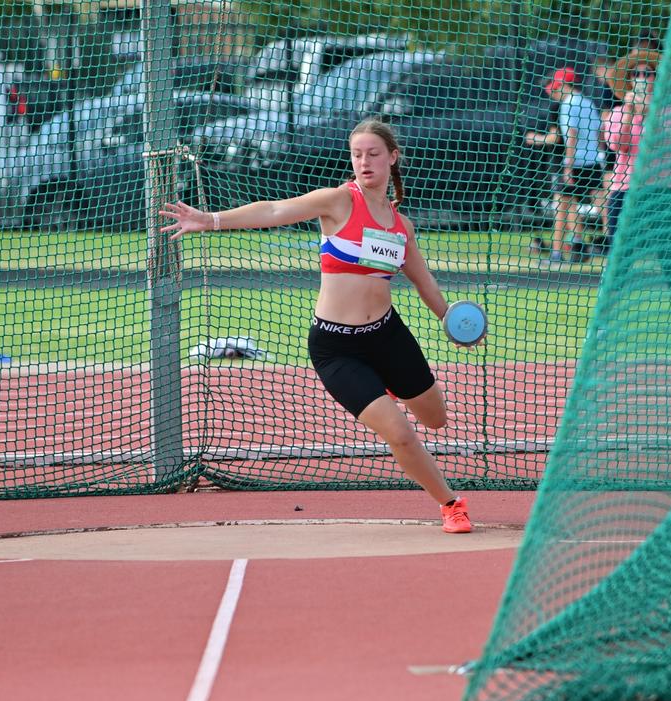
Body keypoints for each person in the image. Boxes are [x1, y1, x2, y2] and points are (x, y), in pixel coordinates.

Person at [158, 119, 474, 534]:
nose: (364, 161)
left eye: (373, 153)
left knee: (436, 419)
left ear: (392, 157)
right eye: (357, 154)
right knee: (399, 433)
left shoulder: (401, 227)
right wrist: (212, 220)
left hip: (387, 335)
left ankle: (392, 380)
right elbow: (273, 210)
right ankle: (451, 504)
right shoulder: (338, 201)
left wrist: (453, 321)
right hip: (336, 347)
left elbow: (423, 281)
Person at [524, 66, 606, 265]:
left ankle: (557, 254)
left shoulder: (569, 104)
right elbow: (600, 134)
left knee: (562, 207)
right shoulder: (588, 102)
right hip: (593, 161)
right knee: (601, 205)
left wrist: (568, 167)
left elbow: (571, 136)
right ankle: (590, 246)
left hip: (575, 162)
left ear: (562, 85)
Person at [601, 59, 656, 253]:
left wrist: (650, 112)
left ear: (656, 78)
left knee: (670, 254)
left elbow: (668, 142)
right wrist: (630, 113)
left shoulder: (668, 110)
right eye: (636, 74)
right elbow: (617, 144)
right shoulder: (617, 113)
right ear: (630, 80)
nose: (641, 78)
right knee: (619, 251)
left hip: (661, 188)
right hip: (626, 186)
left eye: (647, 73)